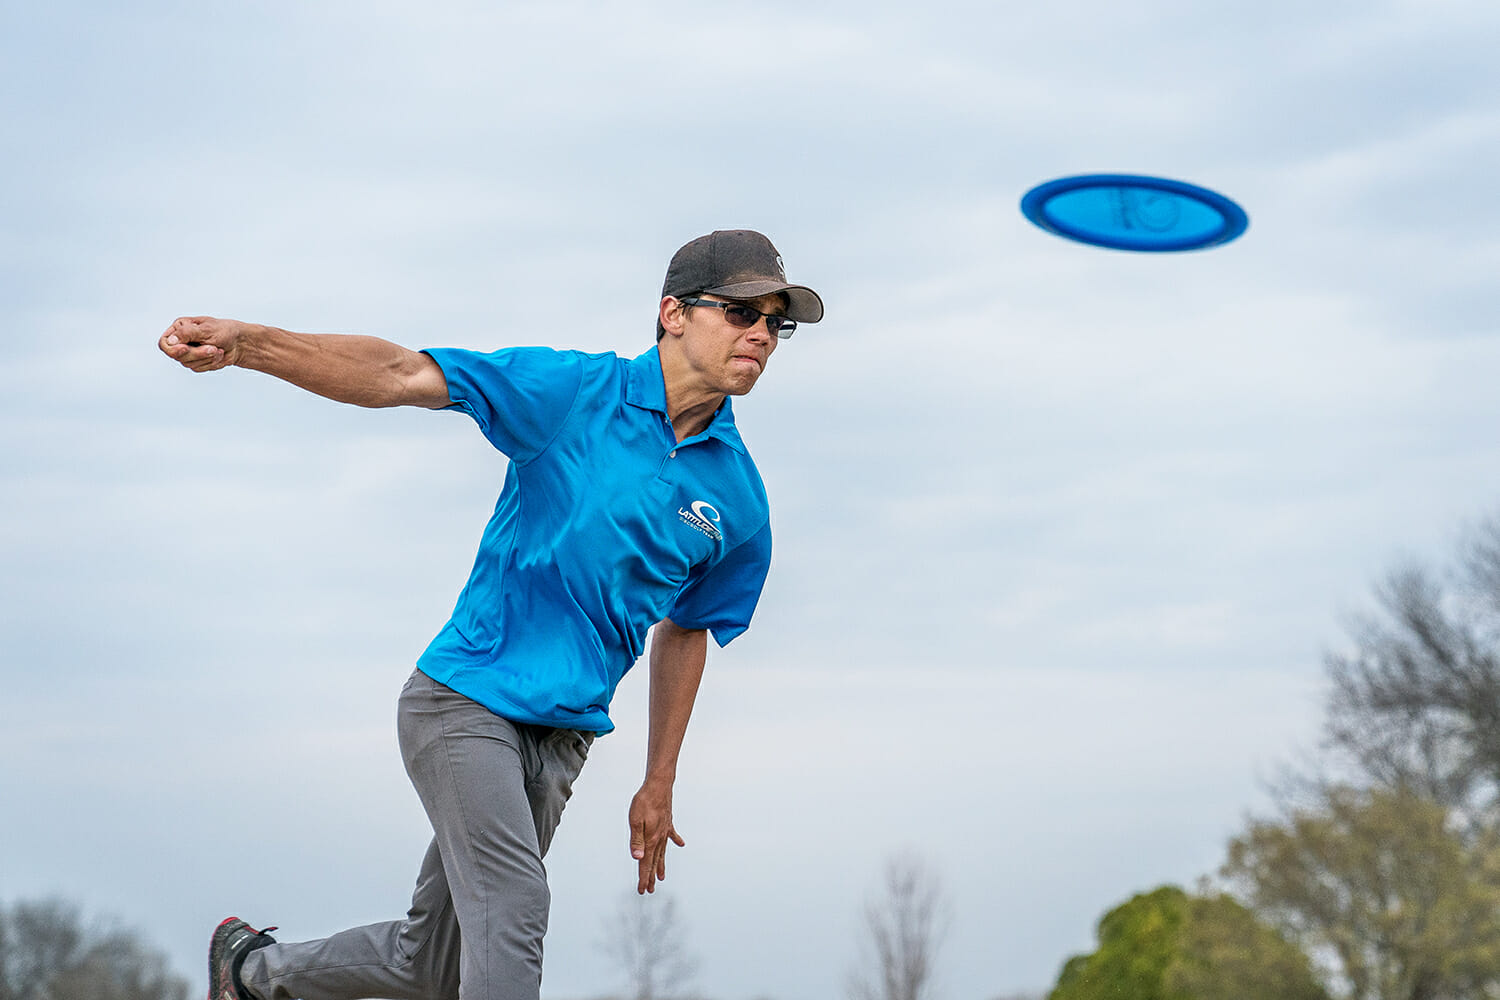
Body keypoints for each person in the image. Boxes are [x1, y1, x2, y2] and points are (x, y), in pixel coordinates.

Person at [158, 230, 823, 1000]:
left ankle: (248, 976)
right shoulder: (571, 394)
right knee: (514, 904)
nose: (761, 334)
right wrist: (251, 343)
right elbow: (402, 372)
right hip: (465, 703)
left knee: (431, 962)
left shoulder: (738, 499)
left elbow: (688, 626)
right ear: (674, 312)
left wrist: (659, 777)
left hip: (562, 739)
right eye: (742, 310)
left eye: (778, 322)